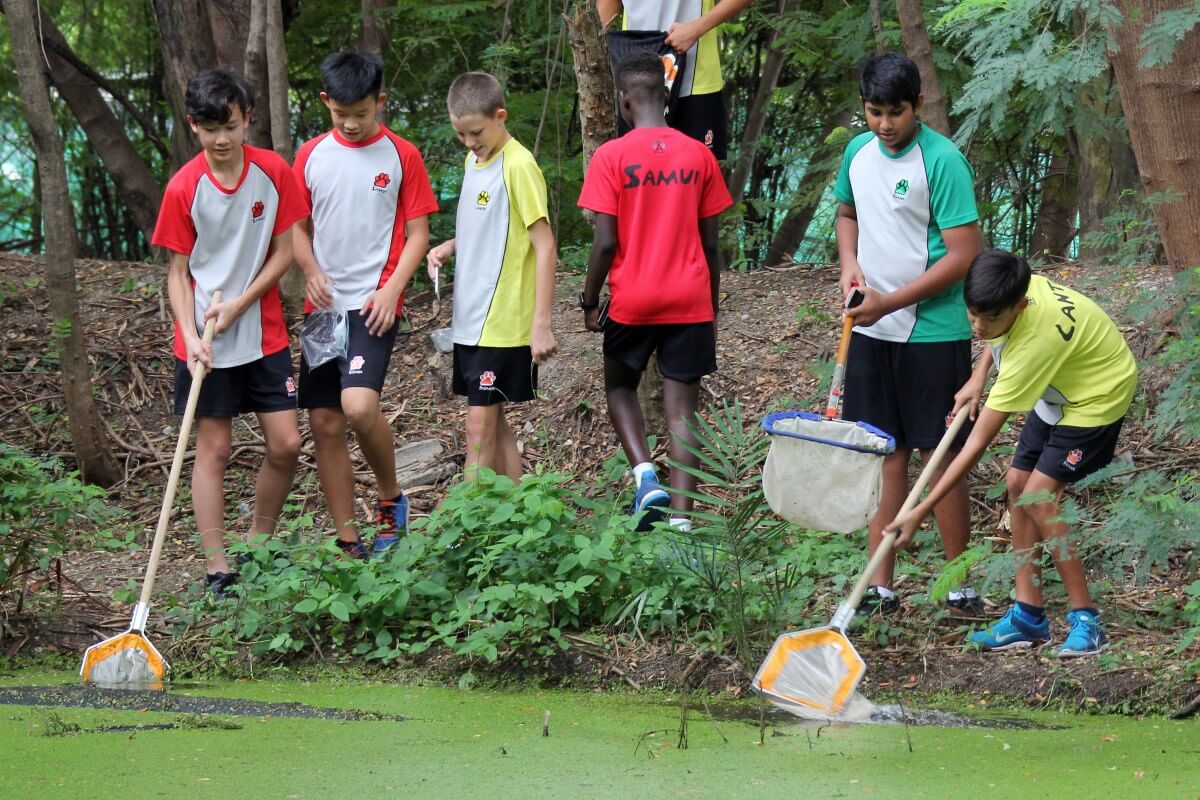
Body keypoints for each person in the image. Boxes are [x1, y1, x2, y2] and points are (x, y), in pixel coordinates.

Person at [886, 249, 1135, 656]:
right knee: (1017, 482)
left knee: (1039, 496)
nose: (980, 328)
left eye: (992, 319)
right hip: (1058, 385)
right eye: (973, 316)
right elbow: (996, 332)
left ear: (1021, 306)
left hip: (1097, 395)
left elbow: (975, 444)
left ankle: (1087, 619)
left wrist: (921, 508)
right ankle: (1028, 616)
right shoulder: (1008, 287)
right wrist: (978, 377)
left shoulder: (1032, 346)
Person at [835, 52, 984, 615]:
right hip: (870, 329)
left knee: (938, 454)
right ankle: (879, 585)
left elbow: (966, 255)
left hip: (933, 330)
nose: (885, 125)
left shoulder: (943, 162)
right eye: (874, 112)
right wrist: (849, 265)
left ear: (918, 105)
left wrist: (890, 302)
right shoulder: (856, 152)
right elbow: (846, 213)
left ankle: (959, 585)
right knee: (884, 450)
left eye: (896, 112)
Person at [152, 68, 306, 597]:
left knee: (286, 443)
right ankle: (219, 568)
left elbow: (285, 252)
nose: (222, 140)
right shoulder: (183, 187)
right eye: (210, 128)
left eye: (232, 127)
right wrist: (190, 335)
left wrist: (243, 301)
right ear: (194, 126)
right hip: (204, 339)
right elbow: (176, 272)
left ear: (247, 121)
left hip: (261, 330)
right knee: (213, 449)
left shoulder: (273, 172)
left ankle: (258, 546)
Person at [577, 50, 732, 532]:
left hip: (633, 300)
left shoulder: (610, 156)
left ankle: (646, 476)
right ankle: (683, 523)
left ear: (624, 102)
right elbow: (711, 243)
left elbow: (605, 243)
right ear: (665, 98)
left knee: (620, 387)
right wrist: (711, 300)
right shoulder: (698, 155)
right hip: (689, 297)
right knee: (683, 410)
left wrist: (588, 300)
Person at [293, 51, 439, 559]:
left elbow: (419, 233)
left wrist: (394, 287)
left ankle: (390, 500)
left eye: (362, 113)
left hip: (374, 302)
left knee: (357, 405)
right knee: (325, 422)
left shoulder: (402, 155)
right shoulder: (310, 155)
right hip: (323, 311)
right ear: (325, 102)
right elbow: (296, 225)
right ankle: (347, 538)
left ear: (381, 101)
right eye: (341, 115)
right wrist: (309, 270)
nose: (352, 124)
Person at [425, 72, 558, 481]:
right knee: (494, 424)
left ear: (501, 116)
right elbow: (490, 225)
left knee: (477, 428)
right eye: (461, 134)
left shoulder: (518, 166)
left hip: (502, 322)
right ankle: (515, 516)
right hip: (471, 319)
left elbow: (545, 245)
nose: (469, 143)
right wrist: (451, 245)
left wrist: (541, 325)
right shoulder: (474, 159)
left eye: (476, 132)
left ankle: (468, 531)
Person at [596, 0, 753, 160]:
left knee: (697, 175)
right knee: (635, 175)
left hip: (696, 81)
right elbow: (604, 11)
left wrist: (696, 28)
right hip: (636, 81)